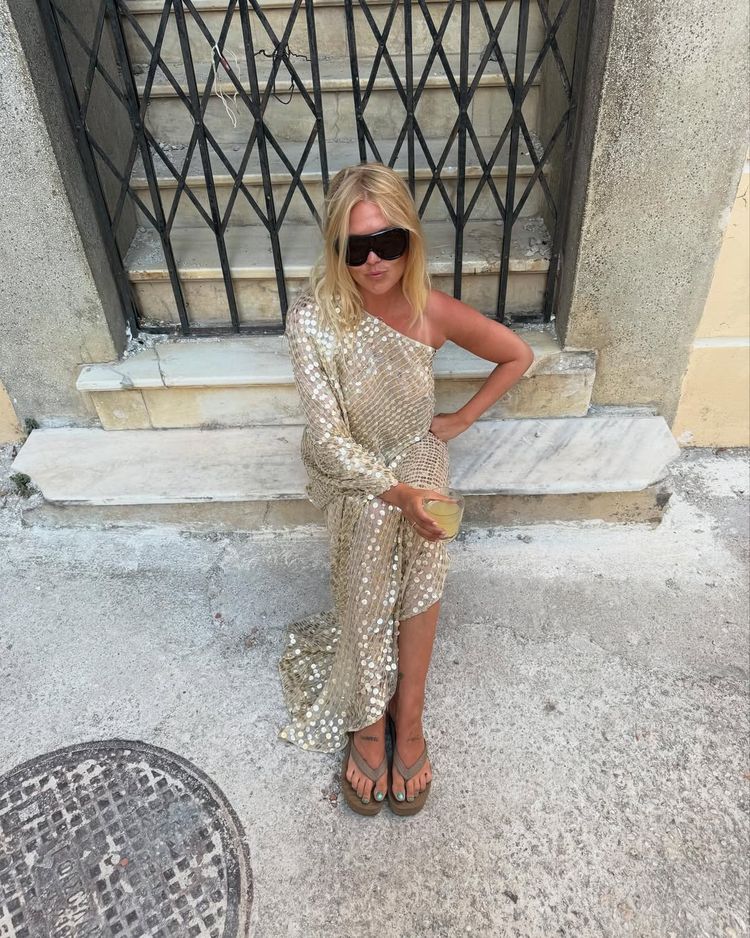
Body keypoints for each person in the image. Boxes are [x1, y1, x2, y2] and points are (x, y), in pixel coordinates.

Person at [278, 162, 535, 816]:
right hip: (352, 467)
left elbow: (517, 355)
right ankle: (369, 719)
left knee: (430, 545)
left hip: (416, 454)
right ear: (335, 248)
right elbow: (329, 439)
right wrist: (395, 493)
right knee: (372, 534)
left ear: (410, 240)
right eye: (355, 247)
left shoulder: (432, 311)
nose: (373, 260)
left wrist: (461, 420)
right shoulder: (311, 319)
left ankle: (409, 715)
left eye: (387, 242)